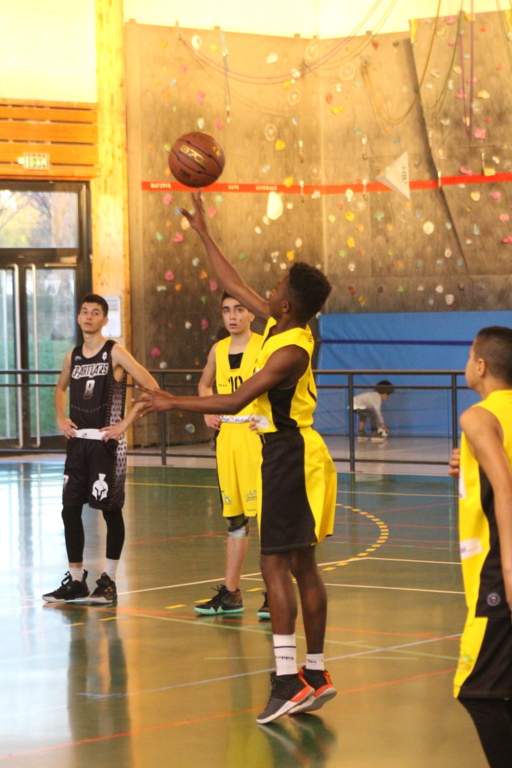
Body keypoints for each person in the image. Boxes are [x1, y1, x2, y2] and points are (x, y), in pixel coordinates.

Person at [136, 192, 338, 725]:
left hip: (289, 456)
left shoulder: (290, 349)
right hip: (295, 454)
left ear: (287, 304)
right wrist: (204, 233)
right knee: (302, 566)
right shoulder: (282, 325)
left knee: (275, 566)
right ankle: (315, 675)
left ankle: (287, 681)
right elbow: (232, 281)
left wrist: (170, 401)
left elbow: (233, 402)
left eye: (276, 288)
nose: (267, 292)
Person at [43, 293, 158, 605]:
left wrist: (125, 423)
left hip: (106, 445)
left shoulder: (114, 352)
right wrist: (60, 417)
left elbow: (151, 385)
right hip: (78, 444)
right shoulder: (73, 356)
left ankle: (109, 581)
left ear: (105, 319)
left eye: (95, 312)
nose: (89, 316)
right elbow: (60, 388)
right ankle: (76, 580)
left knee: (110, 511)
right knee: (69, 510)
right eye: (84, 311)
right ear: (78, 317)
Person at [448, 326, 512, 768]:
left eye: (470, 356)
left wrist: (509, 572)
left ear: (482, 365)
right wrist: (469, 467)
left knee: (477, 690)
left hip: (498, 567)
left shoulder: (477, 417)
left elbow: (506, 491)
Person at [194, 292, 268, 618]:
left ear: (251, 314)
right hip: (228, 439)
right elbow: (204, 385)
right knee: (235, 520)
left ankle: (275, 593)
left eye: (239, 309)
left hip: (257, 437)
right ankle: (232, 593)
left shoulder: (265, 347)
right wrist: (208, 410)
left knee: (267, 520)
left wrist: (267, 419)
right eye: (226, 311)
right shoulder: (218, 350)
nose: (233, 316)